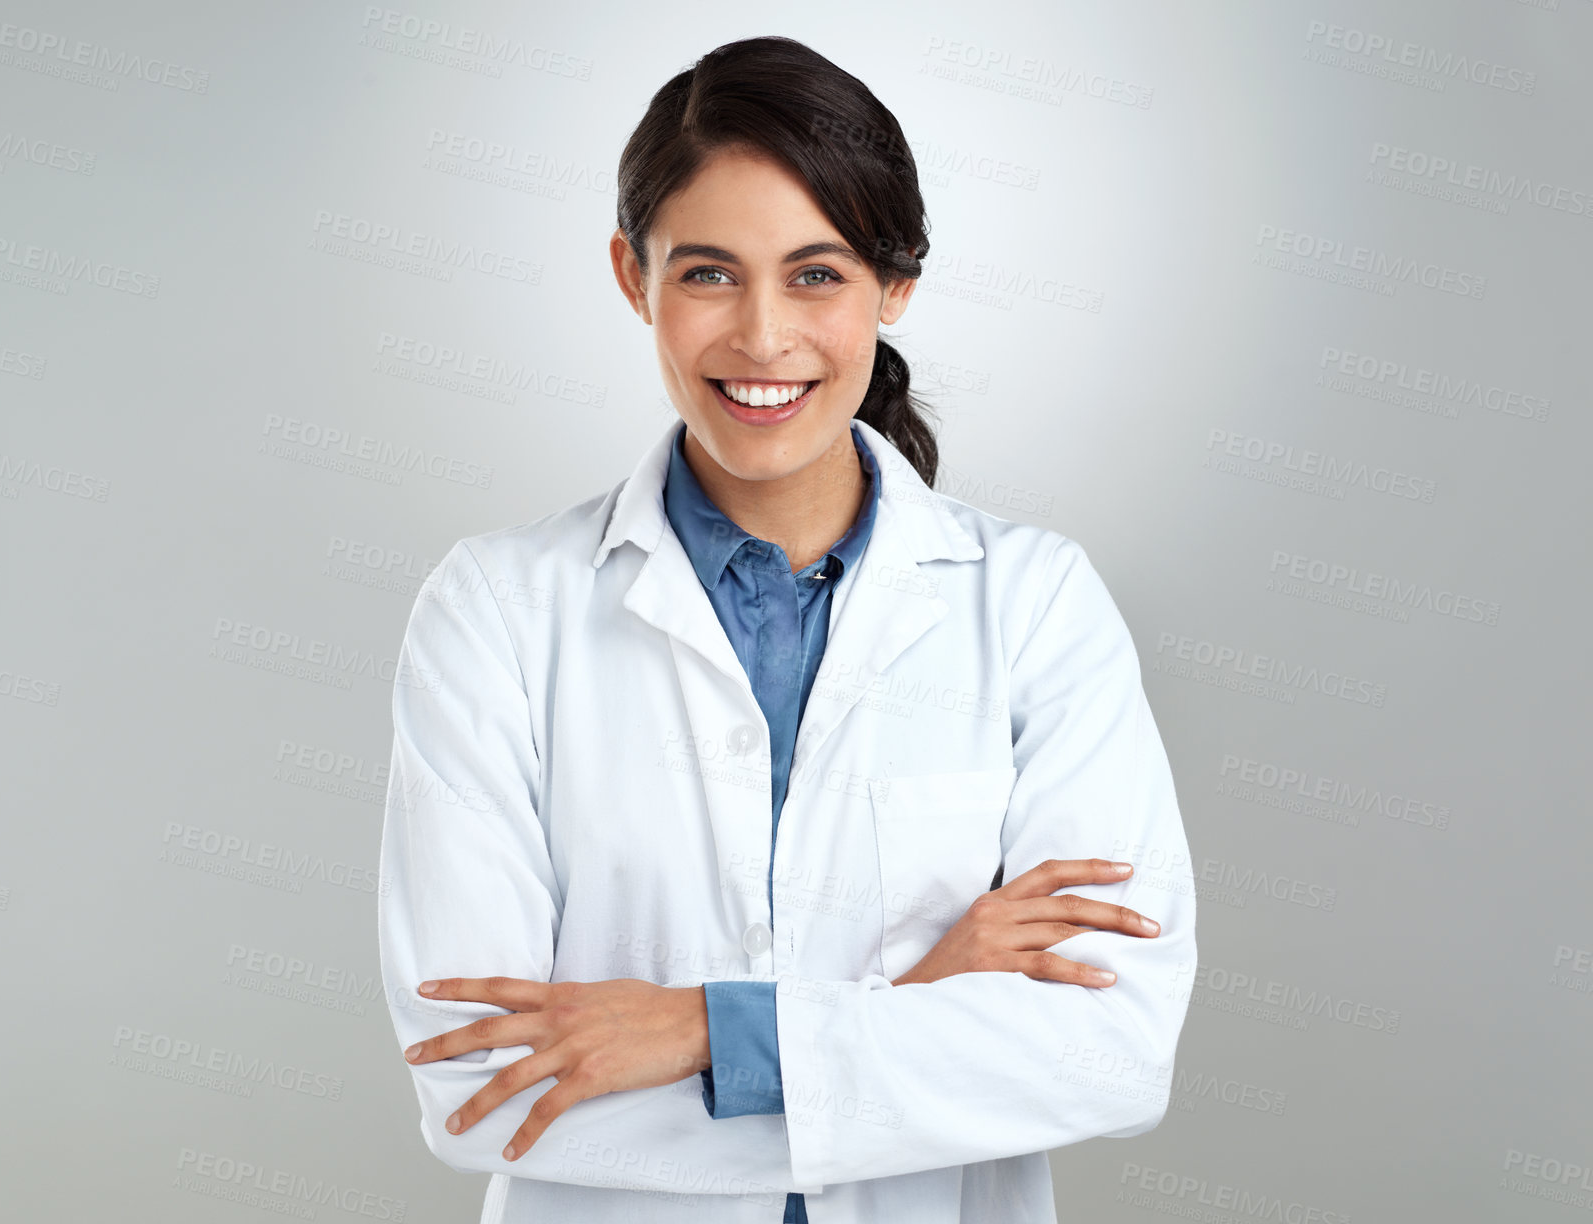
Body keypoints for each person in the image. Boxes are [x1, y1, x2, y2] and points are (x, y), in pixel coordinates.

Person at [377, 34, 1196, 1224]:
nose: (764, 337)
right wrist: (920, 1000)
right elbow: (486, 1088)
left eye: (817, 275)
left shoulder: (1034, 604)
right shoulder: (497, 611)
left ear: (895, 285)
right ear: (631, 276)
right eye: (708, 274)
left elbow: (1111, 1052)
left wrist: (698, 1030)